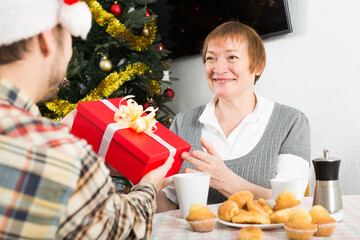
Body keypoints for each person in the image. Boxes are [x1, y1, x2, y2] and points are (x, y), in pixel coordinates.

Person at [0, 0, 173, 239]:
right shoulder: (61, 155)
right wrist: (149, 187)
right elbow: (123, 230)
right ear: (46, 39)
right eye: (70, 38)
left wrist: (58, 130)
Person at [157, 21, 310, 212]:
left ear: (258, 66)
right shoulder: (182, 123)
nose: (218, 69)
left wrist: (224, 180)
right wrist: (146, 189)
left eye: (232, 57)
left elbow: (289, 202)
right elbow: (172, 203)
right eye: (211, 58)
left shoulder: (291, 122)